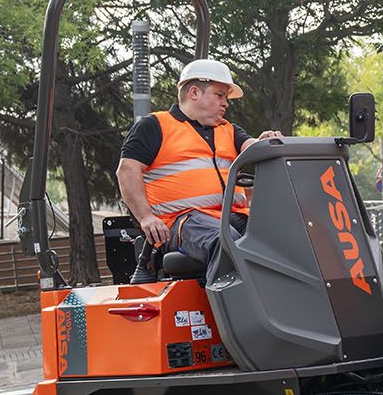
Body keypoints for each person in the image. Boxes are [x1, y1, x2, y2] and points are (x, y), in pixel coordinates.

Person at [116, 59, 281, 275]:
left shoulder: (228, 130)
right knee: (228, 242)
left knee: (282, 238)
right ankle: (240, 308)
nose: (226, 103)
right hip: (181, 220)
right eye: (220, 95)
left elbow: (253, 147)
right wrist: (146, 217)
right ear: (194, 93)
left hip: (231, 216)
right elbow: (126, 170)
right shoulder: (155, 126)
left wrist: (269, 142)